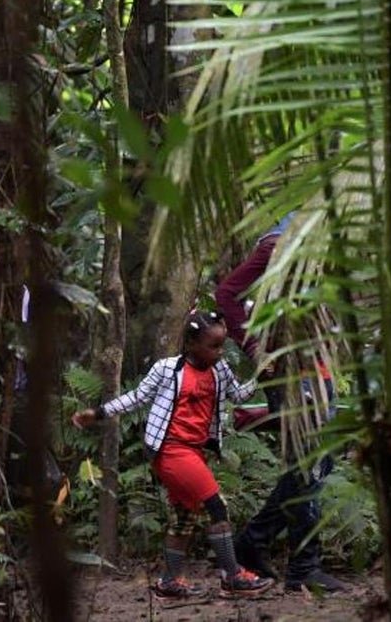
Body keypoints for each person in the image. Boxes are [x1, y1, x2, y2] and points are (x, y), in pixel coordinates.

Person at [72, 312, 275, 601]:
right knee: (217, 507)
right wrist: (99, 412)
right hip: (169, 449)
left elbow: (238, 396)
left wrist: (260, 375)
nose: (219, 353)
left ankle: (170, 582)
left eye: (221, 346)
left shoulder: (220, 369)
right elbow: (137, 397)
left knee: (183, 517)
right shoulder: (168, 369)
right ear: (191, 343)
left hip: (195, 450)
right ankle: (232, 577)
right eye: (212, 346)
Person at [215, 213, 347, 593]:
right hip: (289, 372)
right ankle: (303, 566)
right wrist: (254, 348)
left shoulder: (323, 255)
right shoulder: (278, 246)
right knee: (307, 467)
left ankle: (252, 543)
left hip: (317, 370)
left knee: (315, 463)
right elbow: (227, 293)